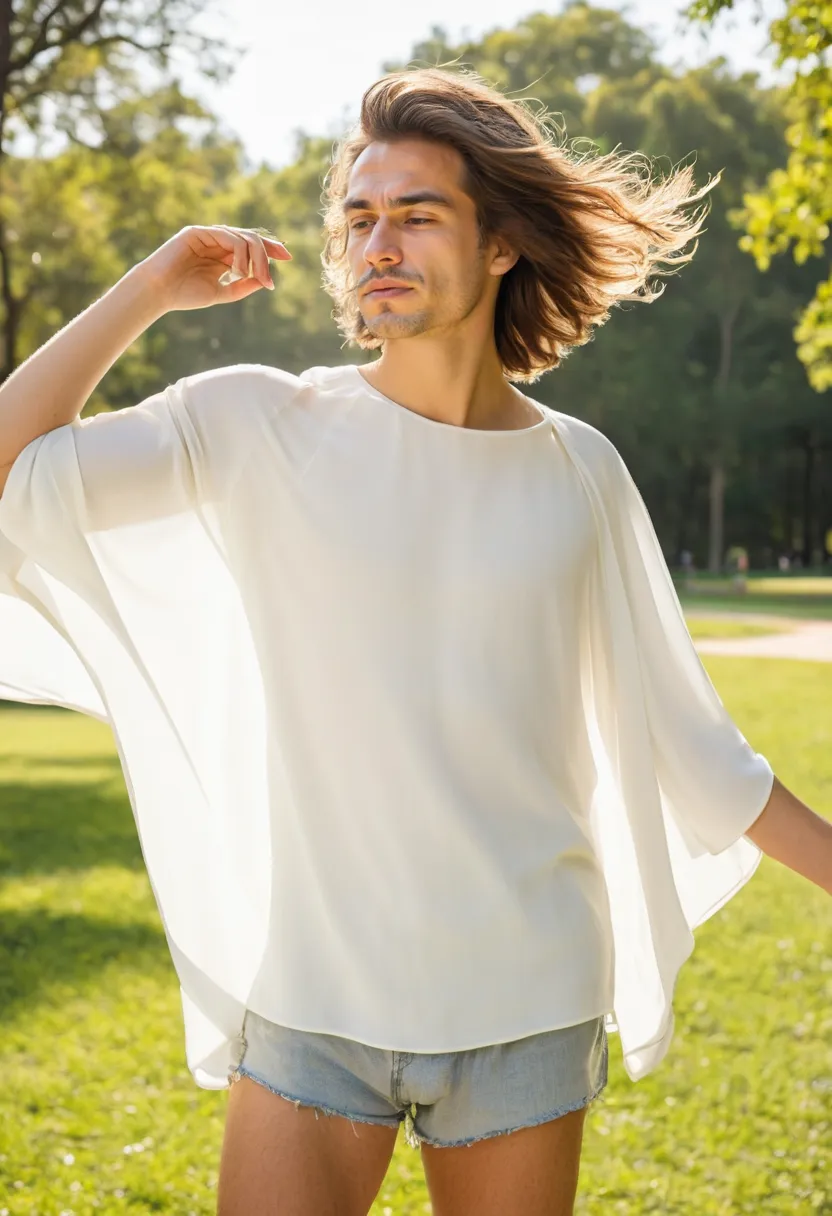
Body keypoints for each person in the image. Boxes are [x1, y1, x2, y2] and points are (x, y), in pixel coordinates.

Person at [1, 66, 828, 1216]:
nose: (376, 242)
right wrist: (152, 284)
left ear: (499, 245)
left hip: (525, 1010)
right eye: (358, 217)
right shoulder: (253, 423)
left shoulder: (579, 472)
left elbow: (694, 753)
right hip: (313, 1005)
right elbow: (8, 468)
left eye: (417, 213)